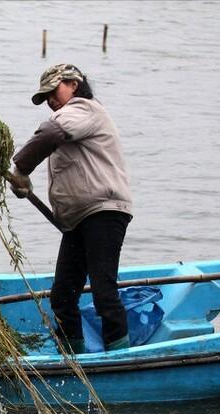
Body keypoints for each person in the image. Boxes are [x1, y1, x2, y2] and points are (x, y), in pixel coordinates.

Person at [9, 63, 133, 353]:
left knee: (104, 291)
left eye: (53, 92)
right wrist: (24, 184)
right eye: (45, 98)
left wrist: (21, 167)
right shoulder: (70, 119)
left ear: (73, 85)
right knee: (62, 297)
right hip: (77, 220)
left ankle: (120, 356)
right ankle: (73, 359)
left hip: (104, 211)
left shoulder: (84, 109)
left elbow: (50, 135)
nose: (50, 101)